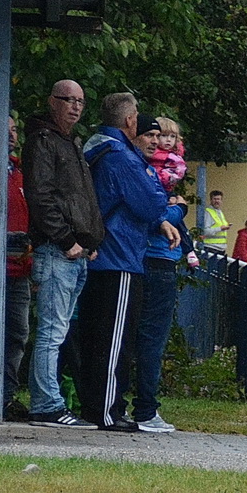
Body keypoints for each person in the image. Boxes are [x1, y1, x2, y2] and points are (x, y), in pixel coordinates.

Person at [80, 102, 178, 431]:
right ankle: (108, 411)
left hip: (103, 256)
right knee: (115, 341)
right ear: (129, 119)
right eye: (138, 118)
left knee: (96, 337)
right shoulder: (122, 157)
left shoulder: (97, 148)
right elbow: (152, 203)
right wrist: (157, 189)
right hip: (120, 256)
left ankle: (94, 406)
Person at [20, 80, 104, 428]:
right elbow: (42, 197)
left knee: (59, 331)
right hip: (58, 252)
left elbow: (81, 199)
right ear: (51, 101)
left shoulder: (69, 142)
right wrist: (68, 240)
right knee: (52, 332)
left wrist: (90, 243)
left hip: (76, 253)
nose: (74, 106)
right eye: (67, 99)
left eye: (80, 101)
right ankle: (46, 405)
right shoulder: (43, 141)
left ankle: (50, 402)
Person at [131, 150, 199, 435]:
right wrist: (179, 209)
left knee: (137, 336)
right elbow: (153, 215)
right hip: (157, 262)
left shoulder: (145, 174)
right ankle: (145, 409)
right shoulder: (149, 177)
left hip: (145, 260)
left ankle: (124, 403)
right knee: (152, 338)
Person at [4, 117, 33, 421]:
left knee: (17, 334)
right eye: (6, 130)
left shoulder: (21, 171)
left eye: (14, 130)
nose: (11, 136)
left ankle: (5, 396)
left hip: (19, 269)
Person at [200, 189, 230, 253]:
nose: (217, 201)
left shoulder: (220, 212)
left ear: (221, 201)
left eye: (218, 199)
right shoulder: (208, 212)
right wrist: (220, 228)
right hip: (211, 248)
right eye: (215, 199)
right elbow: (205, 231)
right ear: (211, 200)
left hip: (220, 248)